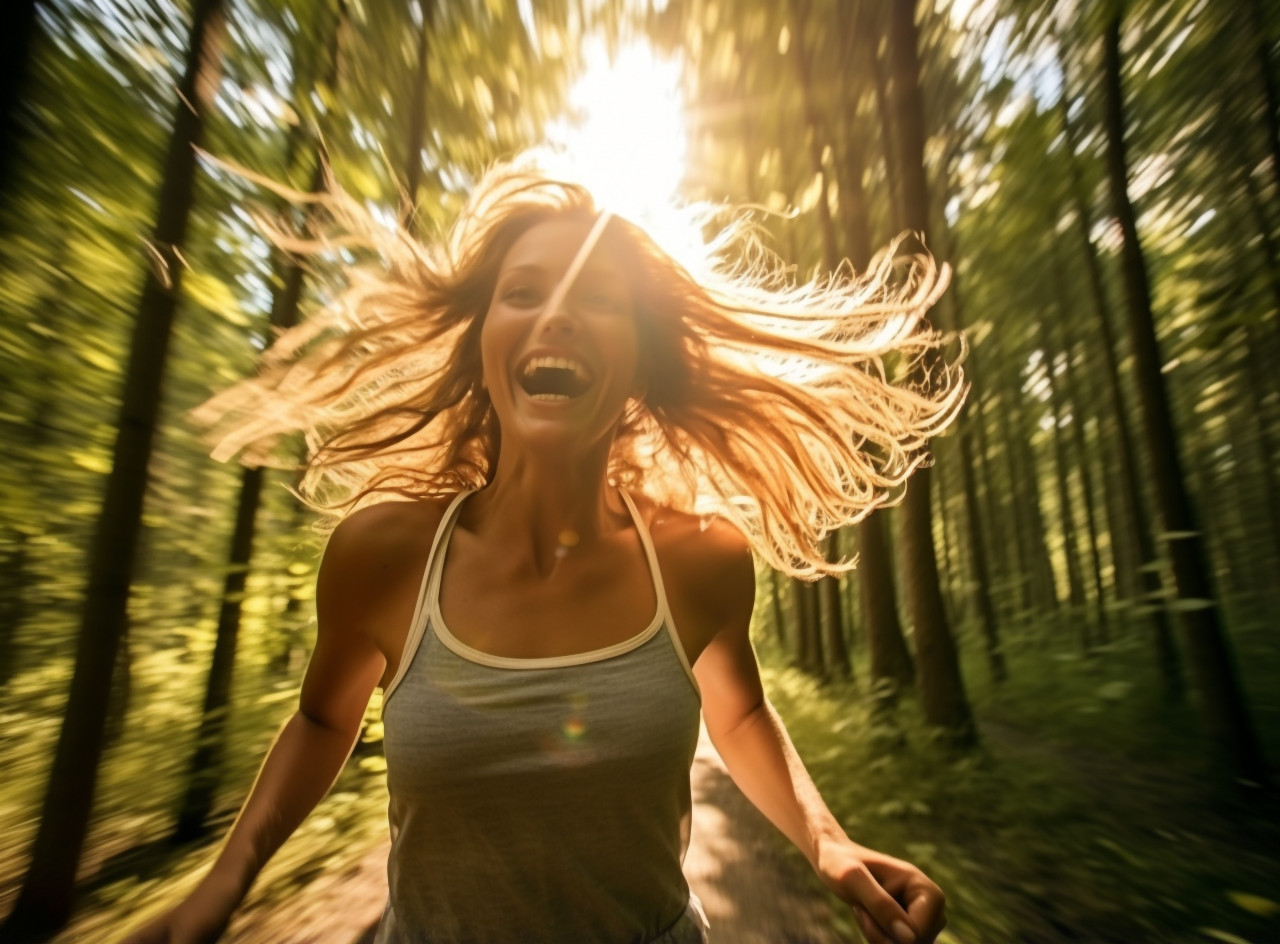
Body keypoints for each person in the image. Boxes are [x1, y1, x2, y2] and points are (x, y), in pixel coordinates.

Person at [124, 161, 960, 944]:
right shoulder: (383, 555)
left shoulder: (699, 557)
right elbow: (320, 718)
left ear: (638, 358)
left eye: (596, 299)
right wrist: (227, 876)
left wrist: (828, 843)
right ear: (485, 343)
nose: (555, 314)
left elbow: (736, 712)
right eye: (522, 292)